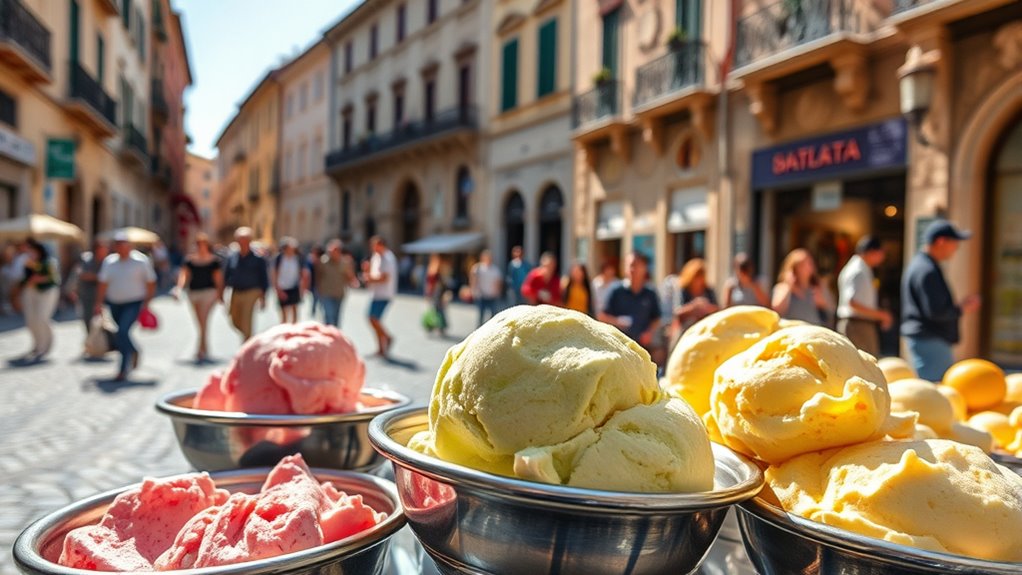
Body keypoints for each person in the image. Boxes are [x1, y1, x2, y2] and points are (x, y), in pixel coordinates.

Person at [902, 219, 980, 382]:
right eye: (954, 243)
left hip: (927, 337)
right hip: (931, 338)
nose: (956, 248)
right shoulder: (927, 269)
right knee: (936, 389)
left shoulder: (921, 265)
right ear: (941, 241)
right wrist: (963, 308)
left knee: (932, 388)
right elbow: (936, 312)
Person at [94, 233, 156, 380]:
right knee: (121, 333)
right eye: (118, 244)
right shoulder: (110, 262)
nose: (121, 248)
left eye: (123, 244)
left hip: (134, 302)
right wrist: (99, 303)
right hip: (114, 303)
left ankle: (123, 369)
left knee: (122, 332)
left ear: (129, 246)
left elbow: (151, 282)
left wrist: (147, 302)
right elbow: (103, 284)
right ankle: (133, 350)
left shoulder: (141, 261)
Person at [836, 236, 892, 357]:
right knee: (863, 364)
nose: (883, 257)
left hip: (859, 324)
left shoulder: (862, 268)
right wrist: (881, 315)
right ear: (872, 252)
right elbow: (852, 303)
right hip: (857, 325)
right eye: (881, 253)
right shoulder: (858, 270)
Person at [174, 233, 223, 362]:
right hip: (193, 293)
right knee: (199, 322)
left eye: (203, 244)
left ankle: (200, 350)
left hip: (209, 292)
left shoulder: (214, 261)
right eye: (198, 244)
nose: (200, 246)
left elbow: (218, 278)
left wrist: (220, 294)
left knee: (203, 319)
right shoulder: (189, 260)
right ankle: (204, 348)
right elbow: (184, 275)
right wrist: (178, 289)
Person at [599, 252, 662, 352]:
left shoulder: (650, 293)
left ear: (644, 268)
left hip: (642, 348)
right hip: (619, 348)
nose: (632, 269)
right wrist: (617, 321)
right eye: (630, 265)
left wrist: (649, 333)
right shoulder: (616, 291)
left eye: (636, 265)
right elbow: (602, 316)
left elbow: (656, 318)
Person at [19, 238, 61, 361]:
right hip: (31, 292)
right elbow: (24, 279)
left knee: (42, 318)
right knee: (31, 321)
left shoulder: (48, 262)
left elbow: (53, 279)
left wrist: (40, 278)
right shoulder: (27, 262)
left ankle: (45, 346)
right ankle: (37, 345)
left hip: (46, 292)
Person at [224, 227, 269, 341]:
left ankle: (247, 342)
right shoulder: (232, 257)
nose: (242, 243)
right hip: (236, 291)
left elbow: (264, 278)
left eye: (245, 240)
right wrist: (221, 291)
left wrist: (263, 296)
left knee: (246, 319)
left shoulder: (258, 259)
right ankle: (247, 336)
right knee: (234, 319)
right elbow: (226, 274)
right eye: (240, 240)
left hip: (252, 291)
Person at [772, 248, 831, 326]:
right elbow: (776, 309)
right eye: (803, 265)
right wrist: (788, 287)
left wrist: (822, 302)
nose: (809, 267)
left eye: (810, 263)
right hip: (792, 330)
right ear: (794, 268)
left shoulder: (817, 287)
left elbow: (831, 309)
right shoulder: (783, 287)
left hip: (813, 330)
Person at [362, 235, 397, 356]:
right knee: (373, 319)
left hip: (384, 294)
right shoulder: (376, 256)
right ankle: (381, 348)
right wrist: (367, 271)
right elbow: (373, 273)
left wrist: (369, 279)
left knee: (373, 319)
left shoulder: (388, 258)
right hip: (375, 293)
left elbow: (385, 278)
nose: (373, 248)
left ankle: (387, 337)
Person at [671, 258, 719, 343]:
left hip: (705, 330)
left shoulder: (709, 291)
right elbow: (677, 312)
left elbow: (717, 309)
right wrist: (693, 306)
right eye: (697, 276)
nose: (699, 280)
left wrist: (706, 307)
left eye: (702, 276)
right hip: (686, 331)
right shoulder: (683, 290)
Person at [316, 239, 357, 327]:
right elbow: (318, 276)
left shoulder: (345, 263)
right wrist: (318, 290)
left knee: (336, 317)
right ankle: (328, 333)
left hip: (339, 293)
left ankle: (335, 333)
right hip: (326, 293)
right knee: (329, 316)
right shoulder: (323, 261)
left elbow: (350, 276)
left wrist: (353, 281)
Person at [75, 240, 110, 337]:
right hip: (88, 295)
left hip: (106, 295)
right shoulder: (87, 260)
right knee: (88, 318)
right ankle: (91, 338)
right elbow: (81, 274)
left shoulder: (108, 262)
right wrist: (99, 277)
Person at [271, 237, 308, 324]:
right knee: (284, 313)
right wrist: (277, 288)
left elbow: (303, 273)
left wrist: (303, 288)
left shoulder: (298, 258)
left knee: (294, 310)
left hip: (294, 287)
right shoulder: (279, 258)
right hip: (282, 287)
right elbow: (274, 273)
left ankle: (294, 328)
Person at [470, 250, 504, 326]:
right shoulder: (478, 268)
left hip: (492, 295)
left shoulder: (495, 270)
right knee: (481, 315)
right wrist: (473, 291)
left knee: (493, 314)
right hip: (481, 295)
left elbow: (498, 281)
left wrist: (498, 292)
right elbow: (473, 279)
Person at [424, 254, 451, 335]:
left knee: (438, 310)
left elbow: (431, 284)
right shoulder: (435, 270)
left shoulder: (436, 270)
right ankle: (436, 326)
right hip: (436, 293)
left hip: (438, 293)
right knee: (437, 310)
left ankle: (437, 326)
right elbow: (430, 284)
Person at [307, 245, 324, 316]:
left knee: (320, 299)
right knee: (315, 298)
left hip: (321, 283)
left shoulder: (323, 260)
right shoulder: (310, 260)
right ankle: (313, 312)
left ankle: (320, 312)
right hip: (314, 283)